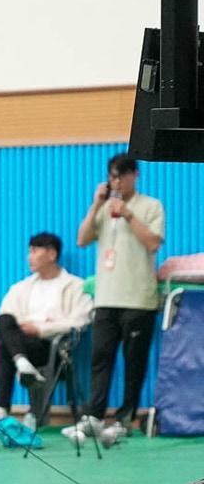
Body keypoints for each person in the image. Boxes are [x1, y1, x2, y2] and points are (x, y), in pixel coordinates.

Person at [67, 153, 165, 446]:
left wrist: (129, 215)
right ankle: (94, 417)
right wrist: (97, 203)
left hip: (138, 299)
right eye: (112, 176)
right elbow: (82, 239)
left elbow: (153, 243)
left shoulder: (150, 206)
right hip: (106, 298)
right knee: (101, 358)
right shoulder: (104, 206)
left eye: (121, 175)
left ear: (135, 175)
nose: (117, 182)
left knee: (134, 363)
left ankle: (124, 419)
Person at [0, 232, 92, 434]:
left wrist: (40, 328)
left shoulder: (75, 286)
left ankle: (1, 409)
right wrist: (19, 328)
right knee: (4, 323)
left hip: (50, 347)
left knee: (2, 348)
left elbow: (80, 321)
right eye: (29, 252)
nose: (29, 257)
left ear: (52, 254)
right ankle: (21, 364)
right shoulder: (21, 288)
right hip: (20, 343)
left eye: (34, 251)